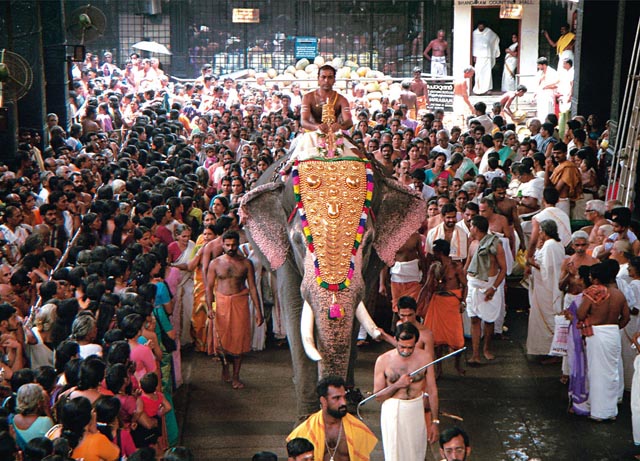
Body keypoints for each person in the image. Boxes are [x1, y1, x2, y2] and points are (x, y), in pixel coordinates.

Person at [206, 230, 263, 389]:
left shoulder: (246, 263)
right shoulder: (215, 263)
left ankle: (236, 376)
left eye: (234, 245)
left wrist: (259, 311)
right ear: (222, 245)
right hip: (222, 303)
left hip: (240, 302)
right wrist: (209, 307)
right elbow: (209, 287)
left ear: (238, 244)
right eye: (227, 245)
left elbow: (252, 287)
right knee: (222, 341)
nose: (231, 248)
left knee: (239, 341)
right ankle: (225, 368)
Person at [373, 322, 438, 461]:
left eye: (410, 347)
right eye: (402, 346)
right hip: (393, 408)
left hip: (416, 407)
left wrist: (434, 421)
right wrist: (397, 385)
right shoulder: (383, 360)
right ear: (395, 340)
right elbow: (378, 396)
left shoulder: (425, 358)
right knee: (394, 454)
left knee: (416, 452)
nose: (406, 351)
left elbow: (432, 390)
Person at [577, 263, 630, 420]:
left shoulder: (593, 292)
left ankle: (598, 412)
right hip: (613, 332)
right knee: (611, 372)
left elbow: (580, 314)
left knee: (596, 372)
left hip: (597, 333)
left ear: (597, 279)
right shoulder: (619, 295)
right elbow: (626, 317)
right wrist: (614, 328)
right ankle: (610, 411)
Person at [287, 375, 377, 461]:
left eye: (344, 397)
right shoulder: (305, 431)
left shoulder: (358, 430)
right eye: (337, 398)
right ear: (323, 400)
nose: (343, 403)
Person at [465, 215, 507, 364]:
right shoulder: (472, 244)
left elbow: (503, 269)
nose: (470, 229)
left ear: (475, 228)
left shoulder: (495, 244)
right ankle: (475, 354)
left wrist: (494, 288)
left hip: (489, 286)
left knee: (489, 320)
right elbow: (467, 267)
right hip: (473, 286)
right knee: (474, 319)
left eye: (471, 226)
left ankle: (486, 349)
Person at [423, 239, 467, 375]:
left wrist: (463, 302)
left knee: (456, 337)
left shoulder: (456, 267)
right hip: (438, 303)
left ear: (440, 252)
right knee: (437, 339)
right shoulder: (434, 267)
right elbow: (429, 287)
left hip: (452, 303)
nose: (433, 254)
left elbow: (465, 285)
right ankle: (439, 369)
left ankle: (457, 365)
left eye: (435, 252)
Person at [526, 220, 566, 358]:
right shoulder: (551, 244)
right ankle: (545, 350)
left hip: (547, 289)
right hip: (542, 287)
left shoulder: (551, 245)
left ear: (544, 231)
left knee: (549, 318)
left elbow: (548, 269)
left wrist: (531, 263)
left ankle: (556, 352)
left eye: (540, 231)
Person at [381, 232, 427, 318]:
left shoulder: (415, 236)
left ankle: (413, 330)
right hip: (397, 279)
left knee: (414, 308)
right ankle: (397, 330)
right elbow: (385, 261)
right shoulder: (391, 237)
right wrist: (382, 284)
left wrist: (425, 276)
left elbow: (422, 257)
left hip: (413, 278)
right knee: (397, 309)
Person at [545, 142, 582, 217]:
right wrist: (547, 168)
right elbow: (547, 185)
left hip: (562, 202)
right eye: (554, 153)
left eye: (558, 153)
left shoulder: (568, 167)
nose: (555, 156)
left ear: (565, 153)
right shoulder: (559, 167)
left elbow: (556, 190)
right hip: (555, 201)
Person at [472, 22, 500, 95]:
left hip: (487, 56)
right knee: (478, 72)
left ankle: (488, 89)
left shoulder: (489, 32)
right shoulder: (474, 33)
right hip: (479, 57)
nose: (481, 28)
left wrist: (491, 49)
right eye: (479, 27)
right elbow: (474, 45)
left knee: (487, 73)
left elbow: (495, 38)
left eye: (482, 27)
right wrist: (474, 55)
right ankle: (478, 89)